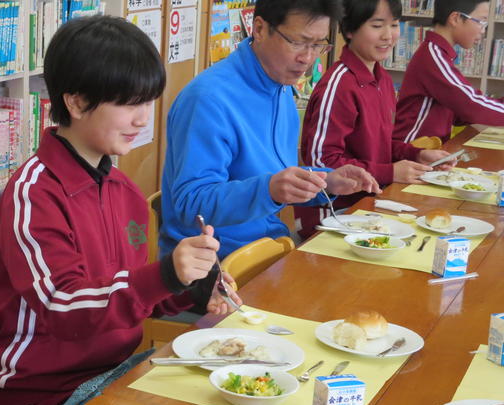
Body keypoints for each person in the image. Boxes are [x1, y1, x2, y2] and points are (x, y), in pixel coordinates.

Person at [0, 15, 239, 405]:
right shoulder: (34, 194)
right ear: (77, 102)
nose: (143, 119)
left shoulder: (122, 190)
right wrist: (166, 275)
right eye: (129, 104)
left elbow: (132, 296)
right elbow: (63, 307)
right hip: (42, 400)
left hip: (114, 373)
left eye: (148, 102)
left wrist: (195, 285)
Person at [161, 0, 381, 258]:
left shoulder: (280, 85)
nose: (307, 58)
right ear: (259, 29)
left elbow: (273, 177)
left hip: (268, 248)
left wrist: (327, 182)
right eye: (298, 42)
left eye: (317, 45)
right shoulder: (208, 99)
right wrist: (269, 190)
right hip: (214, 263)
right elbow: (191, 205)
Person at [296, 0, 453, 238]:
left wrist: (416, 154)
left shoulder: (383, 79)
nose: (388, 36)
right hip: (333, 216)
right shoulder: (339, 84)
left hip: (371, 207)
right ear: (350, 30)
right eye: (377, 25)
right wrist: (389, 172)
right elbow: (321, 163)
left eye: (394, 25)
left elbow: (377, 145)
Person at [394, 0, 504, 143]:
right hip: (411, 148)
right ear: (455, 18)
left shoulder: (439, 54)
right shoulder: (433, 56)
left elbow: (458, 109)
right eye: (481, 22)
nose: (483, 31)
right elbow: (469, 104)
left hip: (430, 148)